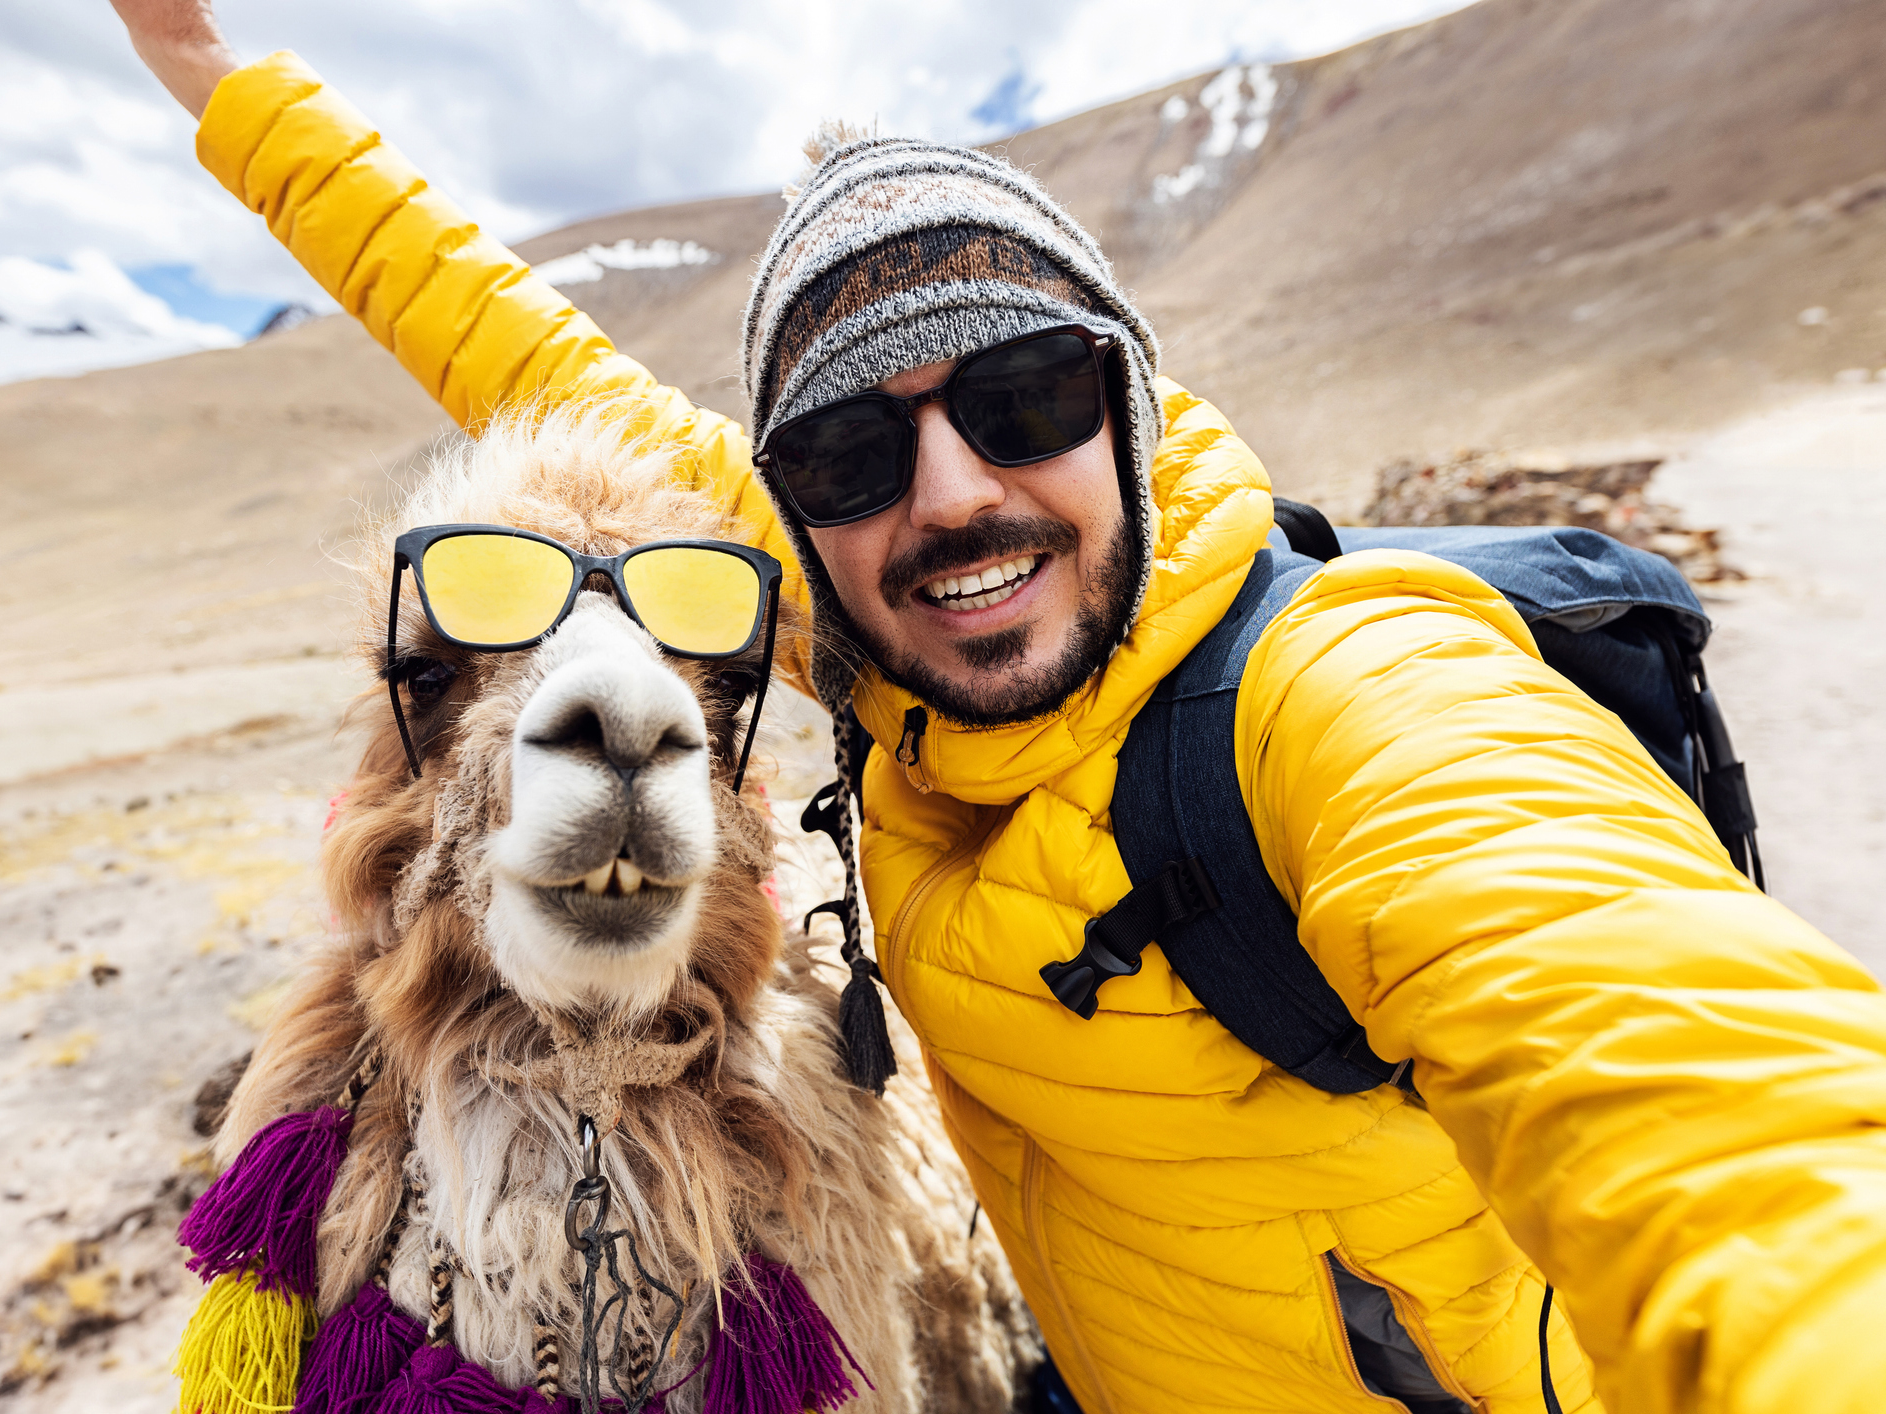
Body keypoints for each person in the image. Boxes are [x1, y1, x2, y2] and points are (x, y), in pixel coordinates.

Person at [109, 4, 1886, 1411]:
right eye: (850, 447)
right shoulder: (887, 639)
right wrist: (222, 85)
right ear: (794, 509)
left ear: (1127, 406)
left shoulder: (1342, 698)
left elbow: (1712, 1098)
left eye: (1026, 394)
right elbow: (514, 350)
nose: (952, 494)